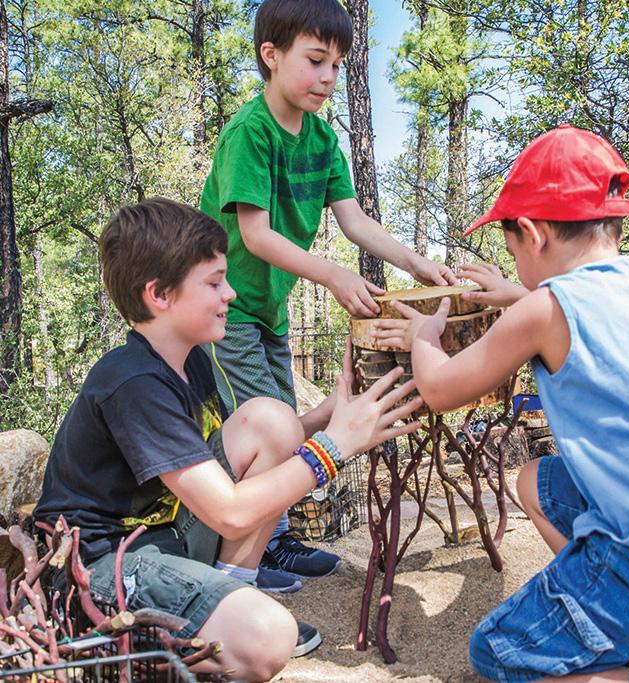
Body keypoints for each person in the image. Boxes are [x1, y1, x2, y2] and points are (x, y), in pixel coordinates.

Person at [372, 125, 629, 683]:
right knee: (538, 482)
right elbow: (588, 317)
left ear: (532, 233)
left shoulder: (543, 309)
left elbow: (441, 389)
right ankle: (626, 630)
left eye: (512, 251)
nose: (516, 266)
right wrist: (518, 297)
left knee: (498, 651)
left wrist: (424, 334)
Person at [33, 199, 422, 681]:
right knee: (267, 639)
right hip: (103, 564)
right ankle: (203, 622)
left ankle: (232, 588)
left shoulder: (191, 359)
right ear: (160, 294)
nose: (230, 294)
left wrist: (330, 416)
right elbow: (230, 512)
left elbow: (241, 461)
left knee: (273, 420)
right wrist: (336, 447)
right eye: (215, 282)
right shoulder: (133, 382)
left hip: (167, 535)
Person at [199, 0, 455, 591]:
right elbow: (256, 235)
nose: (328, 77)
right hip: (225, 309)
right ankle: (245, 555)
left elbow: (354, 221)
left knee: (287, 421)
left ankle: (274, 539)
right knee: (266, 423)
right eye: (315, 61)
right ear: (271, 55)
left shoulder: (321, 138)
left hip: (270, 310)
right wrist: (334, 276)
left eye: (337, 65)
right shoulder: (249, 132)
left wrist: (418, 263)